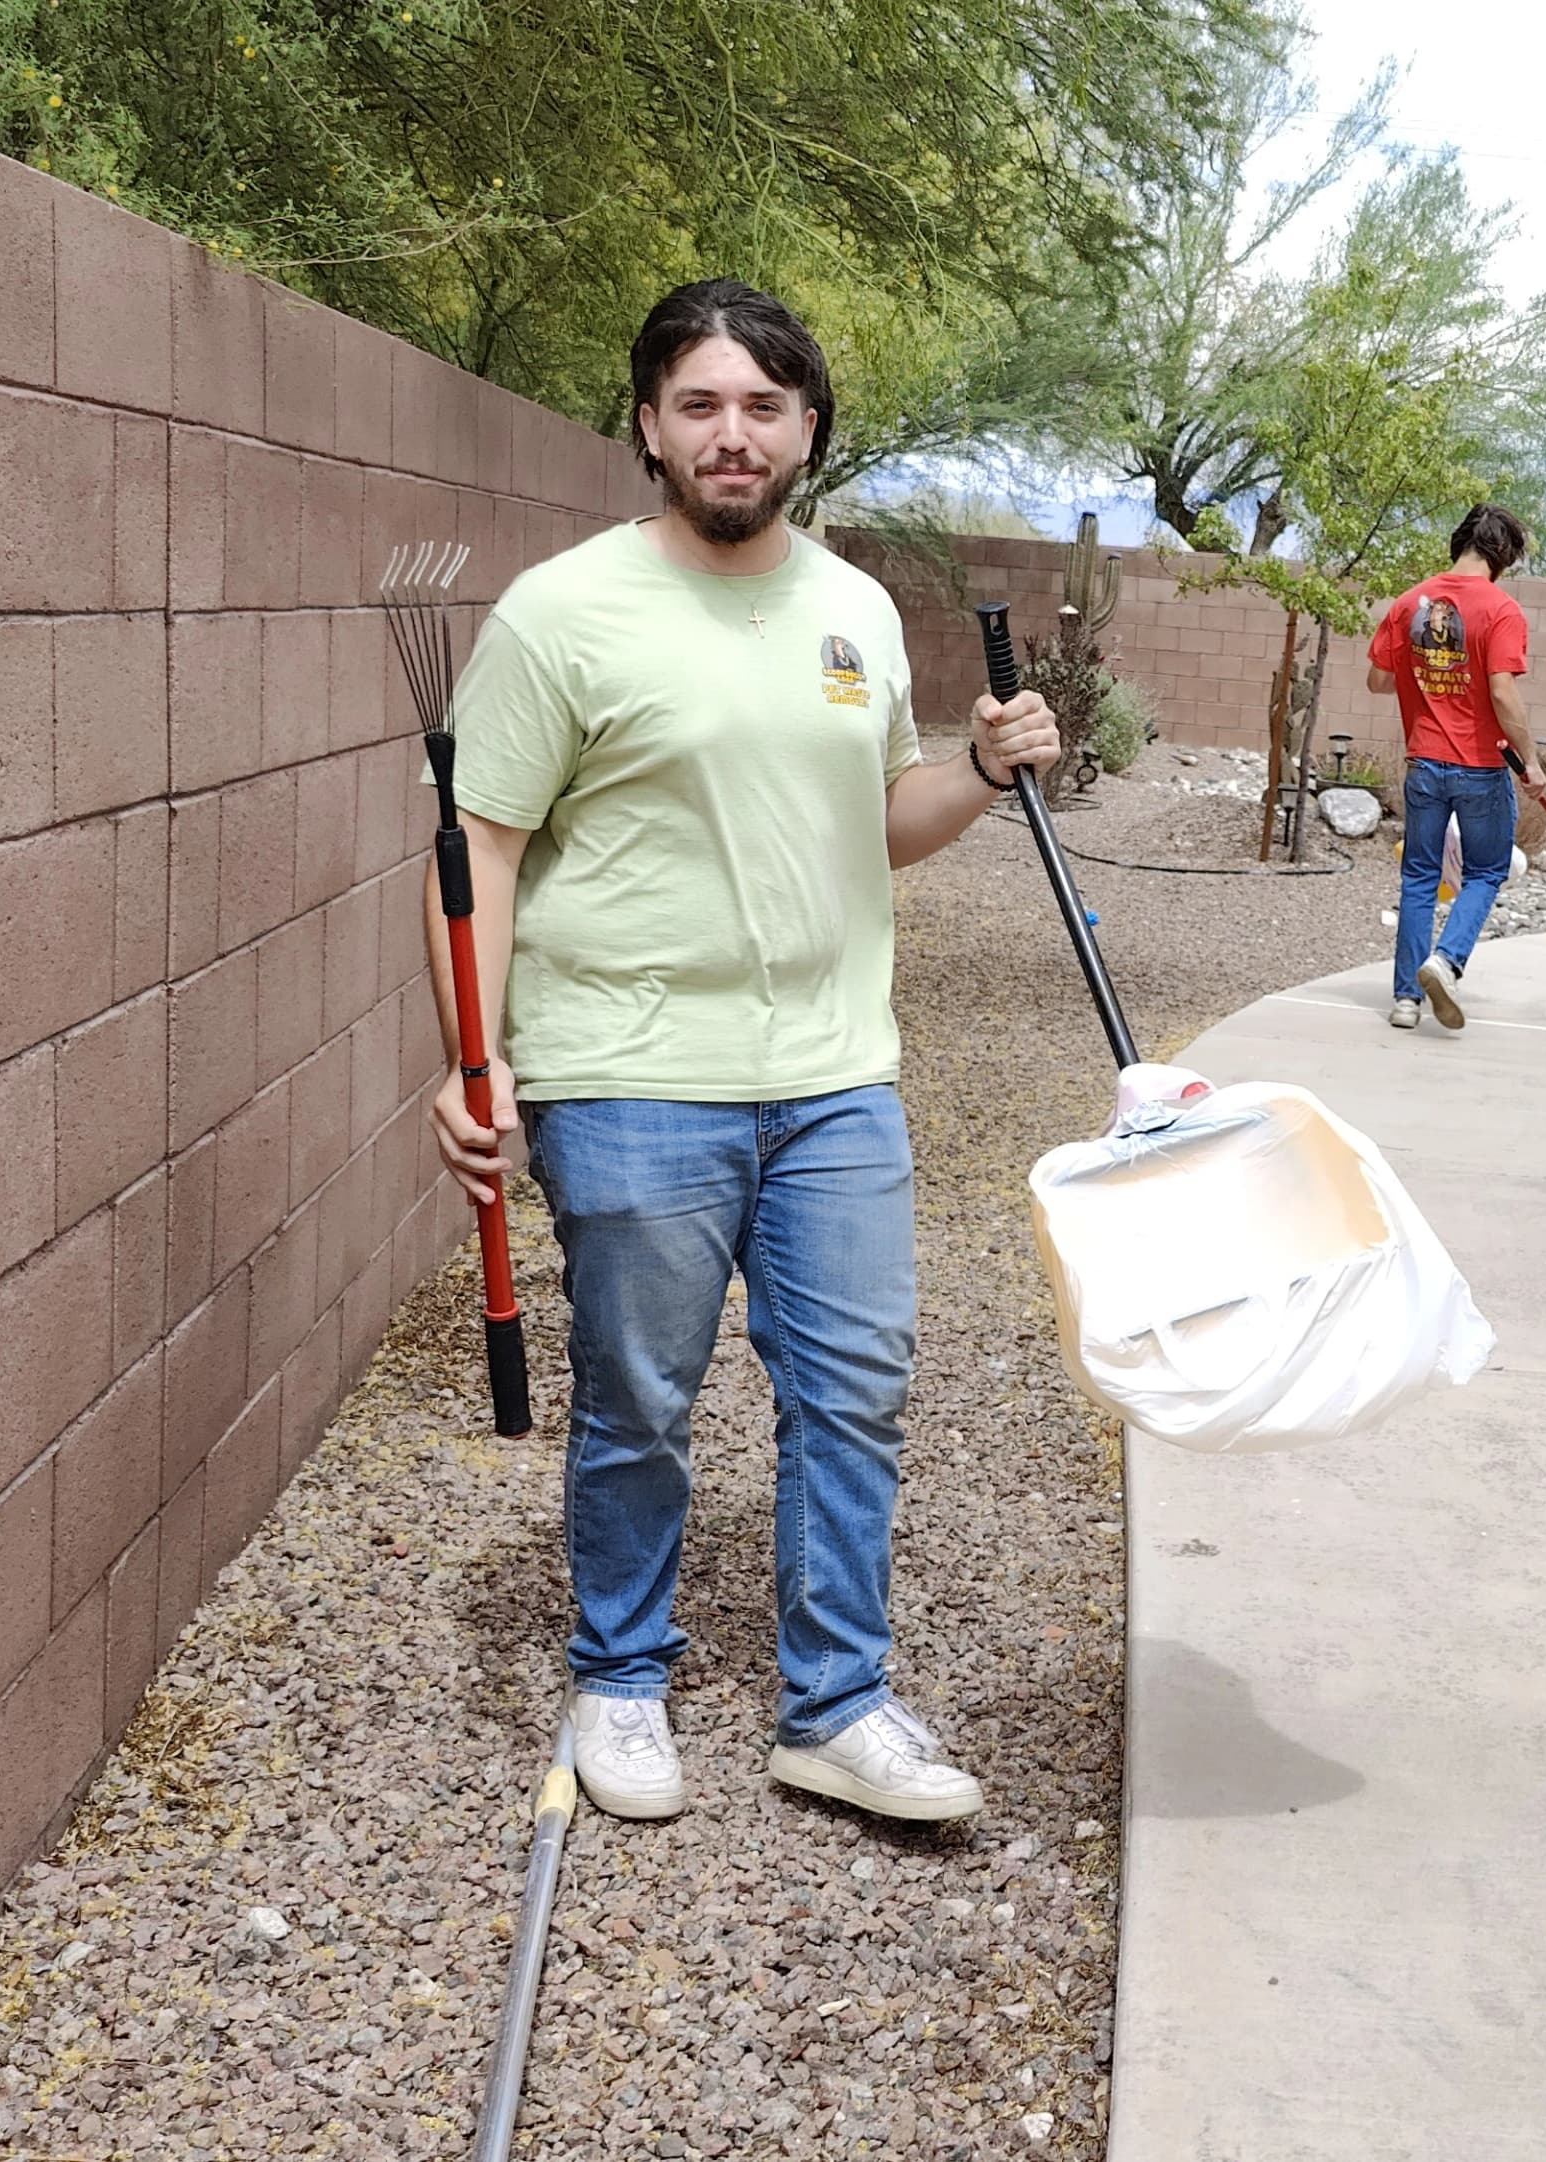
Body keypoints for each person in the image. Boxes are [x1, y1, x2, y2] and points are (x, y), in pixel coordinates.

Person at [425, 278, 1062, 1825]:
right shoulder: (562, 612)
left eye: (762, 406)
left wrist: (975, 770)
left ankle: (834, 1703)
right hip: (629, 1068)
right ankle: (621, 1671)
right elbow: (484, 845)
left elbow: (878, 826)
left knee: (855, 1388)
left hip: (837, 1071)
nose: (732, 433)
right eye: (700, 404)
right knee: (640, 1392)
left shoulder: (852, 610)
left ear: (809, 430)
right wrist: (474, 1055)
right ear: (647, 424)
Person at [1367, 504, 1538, 1032]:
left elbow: (1377, 681)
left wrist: (1427, 675)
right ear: (1503, 554)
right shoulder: (1502, 610)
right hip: (1481, 768)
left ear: (1460, 542)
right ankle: (1446, 960)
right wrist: (1529, 760)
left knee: (1419, 876)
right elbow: (1502, 690)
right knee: (1486, 871)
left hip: (1424, 764)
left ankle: (1404, 1001)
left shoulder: (1408, 603)